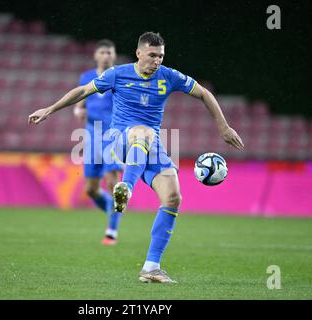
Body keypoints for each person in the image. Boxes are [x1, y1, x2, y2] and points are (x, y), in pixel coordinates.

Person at [28, 32, 244, 284]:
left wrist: (224, 128)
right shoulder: (117, 74)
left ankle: (151, 267)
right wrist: (50, 109)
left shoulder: (169, 76)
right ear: (139, 53)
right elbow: (83, 91)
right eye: (152, 55)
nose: (157, 61)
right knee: (142, 131)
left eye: (161, 56)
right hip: (121, 139)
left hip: (151, 147)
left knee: (173, 197)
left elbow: (204, 94)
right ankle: (126, 188)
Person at [73, 39, 123, 246]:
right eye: (102, 52)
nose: (106, 56)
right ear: (96, 55)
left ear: (114, 55)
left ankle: (111, 231)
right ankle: (114, 210)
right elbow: (81, 100)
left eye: (109, 52)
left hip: (112, 134)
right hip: (92, 134)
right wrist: (78, 109)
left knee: (113, 183)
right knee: (91, 190)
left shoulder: (120, 77)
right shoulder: (86, 77)